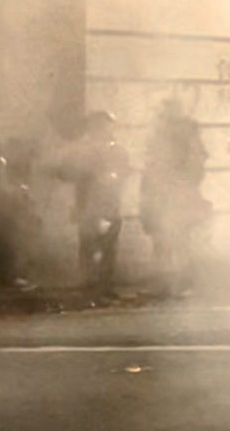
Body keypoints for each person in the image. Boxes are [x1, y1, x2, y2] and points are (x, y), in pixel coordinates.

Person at [140, 94, 209, 294]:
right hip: (164, 193)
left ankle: (182, 282)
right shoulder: (163, 134)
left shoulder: (184, 135)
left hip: (177, 194)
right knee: (165, 239)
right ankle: (169, 282)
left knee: (177, 239)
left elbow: (195, 165)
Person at [62, 110, 131, 297]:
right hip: (89, 204)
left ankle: (104, 285)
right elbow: (77, 177)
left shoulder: (117, 150)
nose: (103, 129)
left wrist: (114, 178)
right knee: (88, 245)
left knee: (108, 246)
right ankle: (89, 284)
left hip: (110, 204)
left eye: (105, 125)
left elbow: (124, 172)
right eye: (98, 125)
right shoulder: (84, 150)